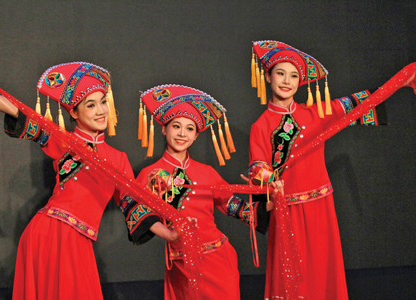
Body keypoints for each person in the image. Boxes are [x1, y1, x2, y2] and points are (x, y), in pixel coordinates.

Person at [248, 40, 415, 300]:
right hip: (287, 206)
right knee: (292, 270)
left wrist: (402, 81)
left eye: (293, 76)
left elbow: (358, 104)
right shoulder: (261, 125)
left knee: (322, 267)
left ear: (300, 83)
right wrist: (269, 177)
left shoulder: (316, 113)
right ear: (268, 76)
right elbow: (257, 166)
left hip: (320, 205)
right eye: (280, 73)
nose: (286, 81)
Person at [0, 55, 134, 300]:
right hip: (49, 233)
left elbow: (136, 205)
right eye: (90, 105)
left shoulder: (119, 159)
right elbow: (17, 110)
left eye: (102, 103)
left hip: (78, 240)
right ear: (74, 113)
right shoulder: (65, 141)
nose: (100, 111)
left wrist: (172, 232)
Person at [118, 84, 278, 300]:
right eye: (176, 126)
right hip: (181, 263)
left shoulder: (207, 172)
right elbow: (136, 211)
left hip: (218, 259)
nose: (182, 134)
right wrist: (171, 235)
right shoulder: (150, 173)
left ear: (195, 136)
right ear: (164, 128)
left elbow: (236, 208)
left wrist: (272, 200)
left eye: (190, 129)